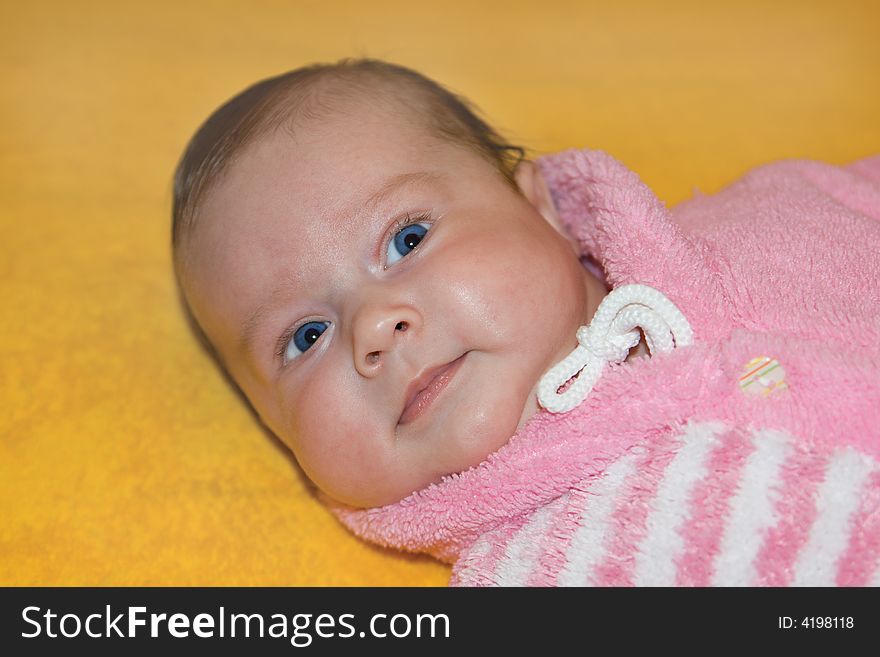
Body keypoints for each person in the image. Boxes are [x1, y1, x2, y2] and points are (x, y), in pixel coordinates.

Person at [173, 58, 880, 586]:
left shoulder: (775, 217)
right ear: (277, 429)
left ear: (537, 205)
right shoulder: (543, 573)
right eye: (306, 336)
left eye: (407, 239)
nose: (374, 326)